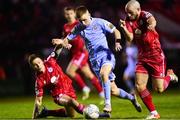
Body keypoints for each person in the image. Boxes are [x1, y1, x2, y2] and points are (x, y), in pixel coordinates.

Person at [52, 5, 142, 115]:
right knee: (113, 90)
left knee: (104, 74)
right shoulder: (78, 27)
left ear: (89, 14)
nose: (83, 23)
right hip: (95, 62)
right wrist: (62, 43)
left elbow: (116, 31)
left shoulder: (100, 22)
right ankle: (132, 98)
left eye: (85, 20)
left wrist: (117, 42)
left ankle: (107, 104)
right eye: (81, 21)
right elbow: (67, 39)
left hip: (106, 56)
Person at [119, 0, 178, 119]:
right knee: (139, 85)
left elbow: (152, 20)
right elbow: (130, 38)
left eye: (130, 13)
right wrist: (124, 28)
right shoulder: (127, 20)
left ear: (138, 10)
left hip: (156, 55)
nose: (128, 15)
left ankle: (170, 76)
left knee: (159, 89)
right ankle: (154, 113)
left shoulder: (145, 14)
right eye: (127, 13)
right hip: (142, 57)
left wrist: (152, 25)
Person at [29, 45, 86, 119]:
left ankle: (47, 112)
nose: (38, 65)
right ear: (33, 67)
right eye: (35, 65)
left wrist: (61, 43)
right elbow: (38, 100)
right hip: (58, 95)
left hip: (68, 88)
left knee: (71, 115)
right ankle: (89, 112)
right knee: (71, 101)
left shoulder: (50, 62)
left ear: (42, 61)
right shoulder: (39, 81)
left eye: (39, 62)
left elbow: (56, 51)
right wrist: (34, 115)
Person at [63, 6, 104, 101]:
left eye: (71, 13)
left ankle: (85, 88)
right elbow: (66, 39)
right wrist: (66, 44)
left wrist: (87, 44)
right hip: (74, 53)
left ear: (74, 14)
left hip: (81, 53)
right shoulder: (65, 27)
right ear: (65, 15)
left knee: (70, 71)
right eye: (67, 14)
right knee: (89, 75)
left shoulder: (80, 23)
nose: (69, 16)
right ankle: (102, 93)